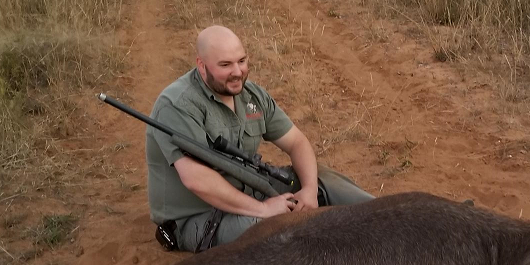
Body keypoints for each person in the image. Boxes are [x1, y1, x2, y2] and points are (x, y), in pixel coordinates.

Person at [146, 25, 373, 251]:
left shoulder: (252, 94)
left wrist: (310, 191)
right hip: (200, 216)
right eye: (225, 65)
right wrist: (262, 209)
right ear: (201, 66)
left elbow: (297, 143)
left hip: (251, 190)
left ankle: (389, 215)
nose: (237, 71)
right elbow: (196, 179)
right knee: (282, 231)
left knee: (321, 179)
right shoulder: (176, 105)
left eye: (242, 61)